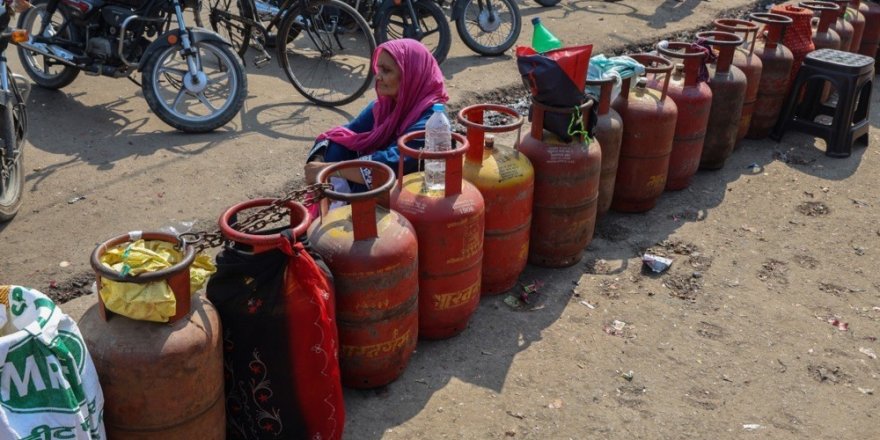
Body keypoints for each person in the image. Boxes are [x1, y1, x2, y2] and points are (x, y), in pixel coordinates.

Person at [304, 39, 449, 194]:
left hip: (411, 194)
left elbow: (393, 162)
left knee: (367, 182)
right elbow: (346, 133)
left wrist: (329, 170)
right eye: (378, 69)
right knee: (337, 147)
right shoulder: (385, 105)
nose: (378, 77)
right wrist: (317, 162)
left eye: (386, 70)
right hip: (382, 183)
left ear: (411, 74)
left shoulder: (433, 119)